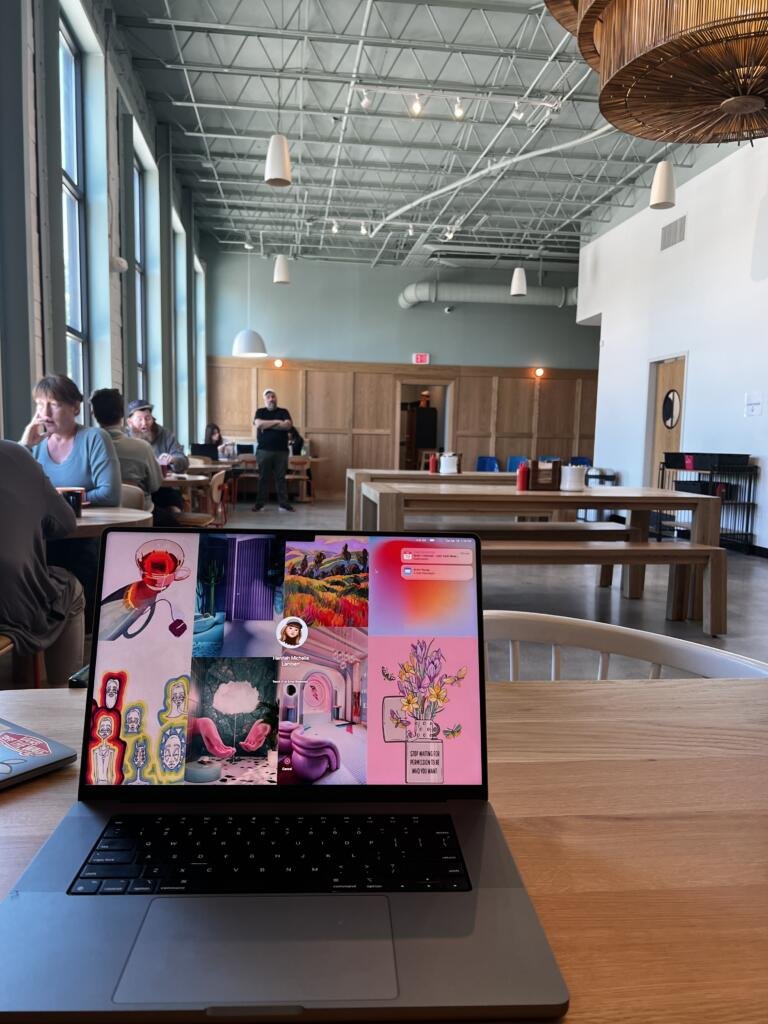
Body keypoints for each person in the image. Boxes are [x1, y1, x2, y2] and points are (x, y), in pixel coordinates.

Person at [0, 440, 85, 687]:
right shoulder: (16, 454)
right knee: (71, 589)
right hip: (11, 605)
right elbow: (64, 523)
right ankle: (64, 698)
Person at [19, 374, 121, 506]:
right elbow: (12, 489)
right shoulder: (35, 445)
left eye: (54, 405)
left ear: (76, 407)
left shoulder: (95, 438)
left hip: (90, 524)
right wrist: (24, 446)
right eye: (40, 404)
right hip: (45, 525)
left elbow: (110, 495)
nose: (45, 413)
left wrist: (56, 500)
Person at [90, 388, 163, 511]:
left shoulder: (88, 447)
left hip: (101, 514)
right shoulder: (143, 447)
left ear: (94, 414)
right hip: (140, 514)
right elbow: (155, 485)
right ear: (123, 414)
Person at [252, 388, 294, 512]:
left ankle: (283, 504)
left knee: (281, 478)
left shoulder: (284, 411)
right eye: (268, 397)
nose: (271, 399)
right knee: (263, 478)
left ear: (276, 398)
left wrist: (268, 425)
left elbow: (287, 425)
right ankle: (260, 504)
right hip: (264, 451)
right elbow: (259, 424)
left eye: (273, 396)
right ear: (264, 399)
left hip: (281, 451)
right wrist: (277, 422)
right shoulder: (260, 411)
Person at [126, 399, 189, 473]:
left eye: (148, 418)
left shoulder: (165, 434)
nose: (144, 423)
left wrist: (173, 459)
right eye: (139, 419)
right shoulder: (125, 438)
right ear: (130, 422)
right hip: (135, 483)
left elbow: (184, 461)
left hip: (165, 482)